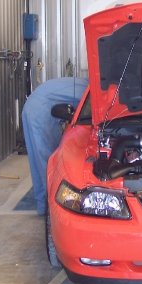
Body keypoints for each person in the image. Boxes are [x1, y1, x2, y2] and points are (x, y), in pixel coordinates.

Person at [22, 77, 88, 215]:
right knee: (46, 162)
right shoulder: (90, 90)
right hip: (41, 111)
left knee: (37, 160)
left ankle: (42, 205)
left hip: (35, 105)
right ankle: (51, 210)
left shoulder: (86, 84)